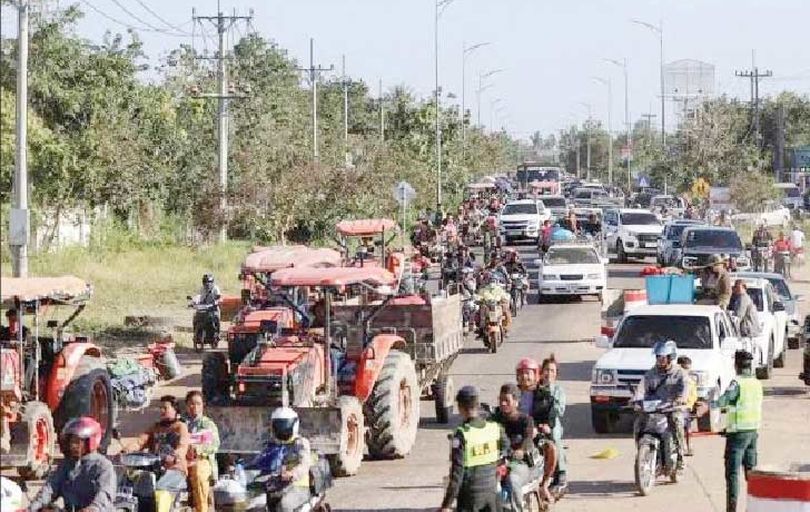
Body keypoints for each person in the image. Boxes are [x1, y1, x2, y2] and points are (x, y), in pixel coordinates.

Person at [440, 385, 507, 512]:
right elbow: (506, 448)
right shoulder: (494, 428)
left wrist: (446, 505)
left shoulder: (462, 434)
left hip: (470, 498)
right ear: (477, 405)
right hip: (492, 494)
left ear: (460, 408)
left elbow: (457, 475)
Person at [29, 417, 116, 512]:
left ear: (90, 442)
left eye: (78, 441)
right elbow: (49, 489)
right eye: (71, 441)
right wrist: (32, 508)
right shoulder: (65, 465)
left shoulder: (103, 466)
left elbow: (105, 493)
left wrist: (94, 508)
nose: (73, 445)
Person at [714, 351, 763, 512]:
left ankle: (731, 509)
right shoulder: (756, 383)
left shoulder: (737, 383)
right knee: (751, 473)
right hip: (752, 433)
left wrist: (707, 405)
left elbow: (724, 401)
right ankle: (755, 506)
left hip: (737, 435)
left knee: (733, 474)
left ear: (736, 365)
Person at [127, 395, 191, 510]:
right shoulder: (155, 427)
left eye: (165, 408)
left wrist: (174, 456)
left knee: (160, 489)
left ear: (175, 410)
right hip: (154, 469)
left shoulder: (181, 427)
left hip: (174, 469)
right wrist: (126, 450)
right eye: (160, 408)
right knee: (134, 487)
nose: (161, 411)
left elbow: (183, 446)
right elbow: (140, 441)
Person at [633, 340, 688, 472]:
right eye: (658, 357)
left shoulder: (680, 373)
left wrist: (680, 399)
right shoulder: (651, 373)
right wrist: (635, 400)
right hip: (654, 408)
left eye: (663, 357)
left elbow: (685, 389)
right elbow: (641, 388)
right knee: (638, 424)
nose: (660, 360)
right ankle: (643, 451)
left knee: (677, 421)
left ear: (670, 357)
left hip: (672, 408)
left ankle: (681, 457)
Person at [246, 407, 313, 512]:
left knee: (284, 506)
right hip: (274, 485)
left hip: (297, 486)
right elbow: (260, 459)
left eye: (285, 425)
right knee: (253, 505)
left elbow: (305, 464)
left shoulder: (300, 443)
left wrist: (292, 473)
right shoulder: (271, 444)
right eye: (279, 425)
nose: (282, 429)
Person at [489, 383, 541, 512]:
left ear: (516, 402)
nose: (503, 403)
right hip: (497, 461)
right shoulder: (494, 419)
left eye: (507, 400)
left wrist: (521, 451)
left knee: (512, 480)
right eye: (501, 400)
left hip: (520, 464)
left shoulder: (525, 420)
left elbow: (528, 440)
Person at [515, 358, 557, 501]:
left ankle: (544, 484)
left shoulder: (545, 396)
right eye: (521, 373)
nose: (525, 377)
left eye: (528, 373)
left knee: (551, 447)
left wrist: (542, 427)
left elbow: (550, 419)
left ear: (536, 375)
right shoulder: (512, 394)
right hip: (515, 433)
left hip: (536, 433)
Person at [184, 391, 220, 512]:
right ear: (186, 405)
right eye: (191, 404)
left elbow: (214, 444)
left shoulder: (207, 424)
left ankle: (202, 509)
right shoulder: (181, 423)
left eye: (198, 404)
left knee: (199, 474)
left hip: (201, 460)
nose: (195, 407)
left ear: (203, 405)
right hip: (181, 459)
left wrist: (197, 449)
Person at [540, 355, 567, 495]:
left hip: (551, 423)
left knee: (555, 438)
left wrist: (550, 394)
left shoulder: (558, 391)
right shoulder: (536, 388)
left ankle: (560, 475)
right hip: (535, 421)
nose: (549, 373)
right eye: (546, 370)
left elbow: (559, 411)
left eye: (552, 371)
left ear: (556, 374)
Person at [475, 272, 512, 338]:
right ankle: (480, 329)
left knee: (506, 312)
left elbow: (504, 296)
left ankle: (505, 329)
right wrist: (479, 299)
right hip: (487, 307)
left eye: (494, 280)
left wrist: (505, 299)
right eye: (491, 280)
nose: (492, 282)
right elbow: (479, 296)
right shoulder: (484, 289)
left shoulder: (499, 289)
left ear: (496, 281)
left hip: (497, 306)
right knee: (478, 312)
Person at [677, 356, 698, 457]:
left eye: (688, 368)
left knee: (687, 428)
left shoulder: (690, 380)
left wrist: (691, 404)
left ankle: (689, 446)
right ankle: (682, 446)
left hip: (686, 407)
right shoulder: (673, 379)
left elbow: (693, 394)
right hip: (676, 407)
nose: (687, 371)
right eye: (685, 368)